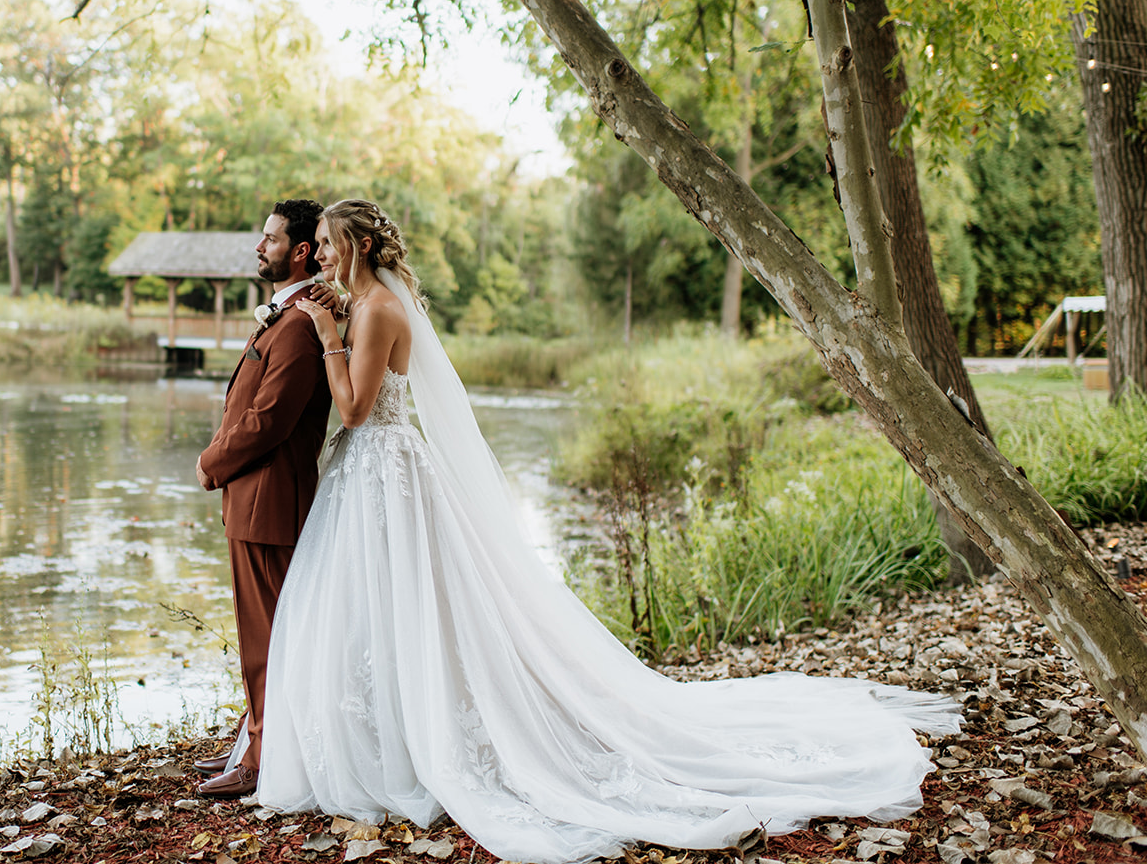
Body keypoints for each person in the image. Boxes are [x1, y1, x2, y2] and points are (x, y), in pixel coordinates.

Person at [260, 198, 961, 864]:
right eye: (314, 244)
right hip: (371, 477)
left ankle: (427, 746)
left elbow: (353, 410)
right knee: (382, 611)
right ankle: (393, 737)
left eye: (324, 242)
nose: (315, 254)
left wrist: (326, 336)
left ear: (360, 246)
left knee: (409, 606)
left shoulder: (378, 309)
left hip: (384, 470)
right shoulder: (366, 303)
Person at [193, 199, 336, 799]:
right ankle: (255, 740)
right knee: (264, 633)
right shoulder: (290, 313)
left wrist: (211, 462)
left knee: (269, 635)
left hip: (270, 501)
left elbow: (270, 420)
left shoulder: (302, 325)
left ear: (299, 250)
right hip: (254, 499)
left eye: (271, 238)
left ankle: (263, 761)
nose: (260, 246)